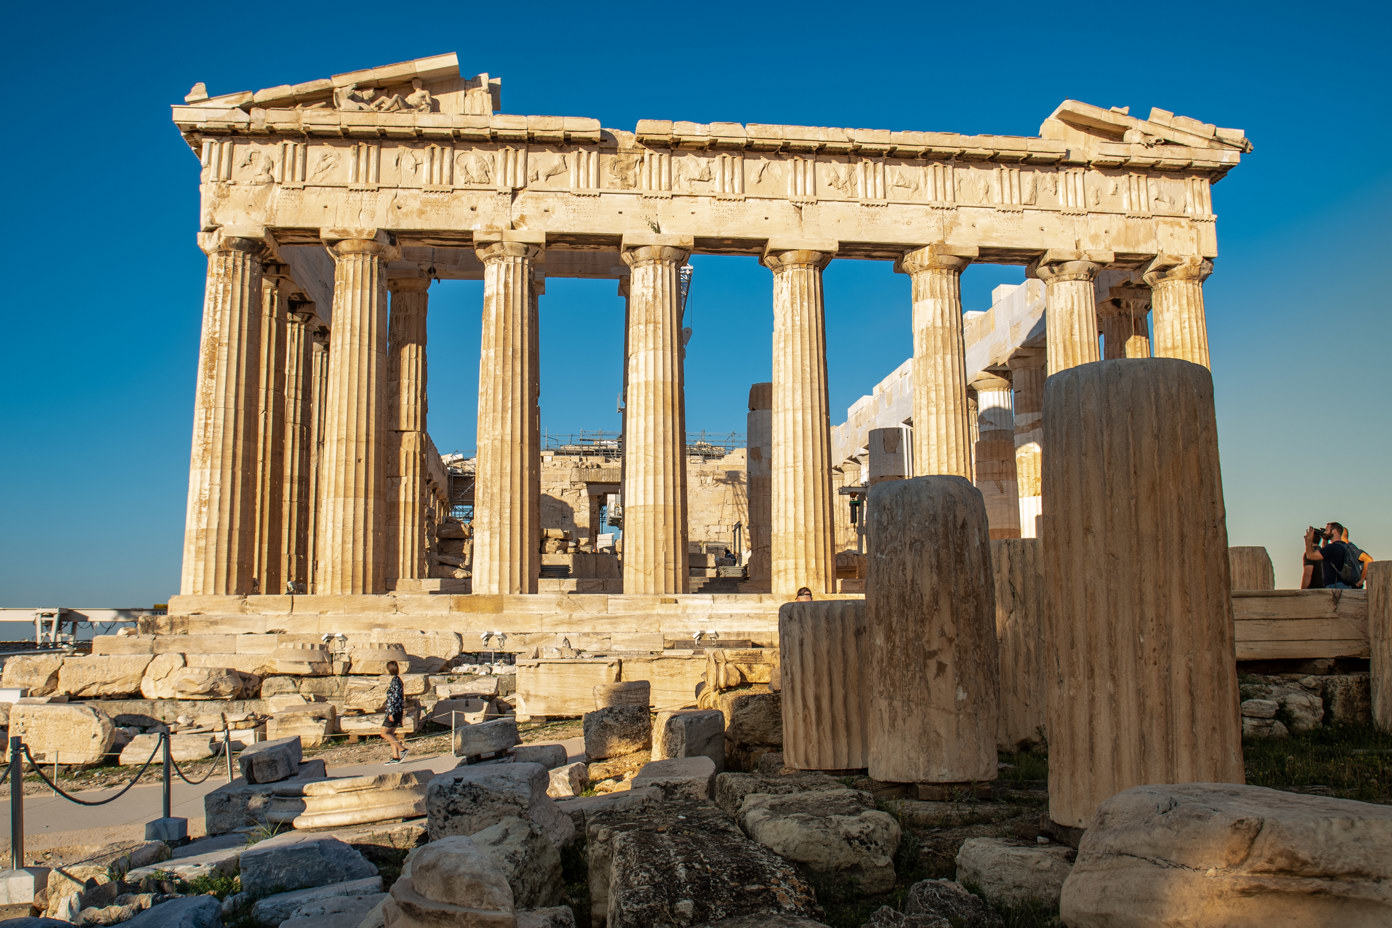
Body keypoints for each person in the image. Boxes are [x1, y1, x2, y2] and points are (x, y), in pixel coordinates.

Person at [1303, 522, 1372, 589]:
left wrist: (1308, 540)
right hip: (1346, 586)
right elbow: (1325, 552)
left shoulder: (1332, 547)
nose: (1325, 532)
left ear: (1334, 531)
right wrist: (1325, 539)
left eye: (1327, 530)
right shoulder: (1346, 547)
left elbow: (1310, 556)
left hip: (1334, 586)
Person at [381, 660, 408, 764]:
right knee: (391, 733)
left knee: (384, 733)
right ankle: (395, 757)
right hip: (397, 711)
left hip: (393, 712)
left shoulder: (395, 681)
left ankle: (402, 749)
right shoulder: (397, 680)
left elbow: (394, 698)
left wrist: (391, 713)